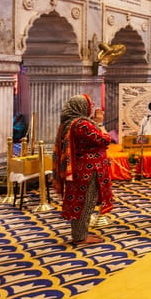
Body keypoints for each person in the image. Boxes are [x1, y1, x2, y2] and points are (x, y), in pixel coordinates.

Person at [52, 94, 113, 246]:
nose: (91, 108)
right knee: (85, 203)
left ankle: (79, 233)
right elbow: (104, 139)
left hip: (79, 169)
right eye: (89, 105)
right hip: (88, 171)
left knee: (80, 202)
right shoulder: (82, 124)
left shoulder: (69, 123)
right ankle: (80, 236)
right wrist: (99, 122)